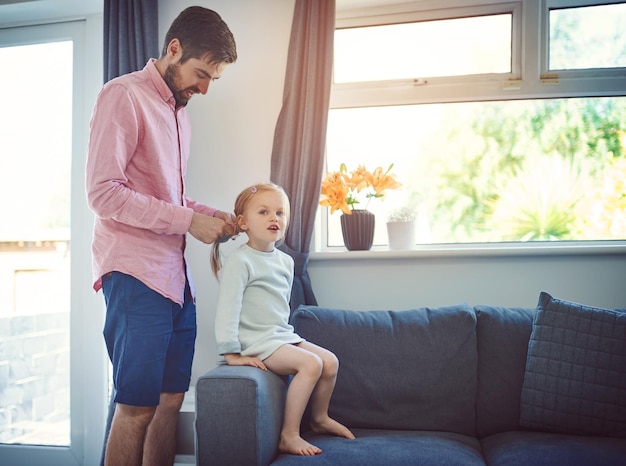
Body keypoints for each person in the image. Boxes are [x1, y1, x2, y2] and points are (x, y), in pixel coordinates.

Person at [85, 7, 237, 466]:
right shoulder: (122, 96)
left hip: (176, 280)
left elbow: (171, 198)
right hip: (135, 275)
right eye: (201, 73)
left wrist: (214, 217)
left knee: (171, 402)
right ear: (173, 49)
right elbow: (104, 193)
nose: (205, 88)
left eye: (213, 78)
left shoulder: (179, 112)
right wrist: (190, 223)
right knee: (136, 408)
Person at [211, 183, 356, 456]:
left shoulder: (285, 262)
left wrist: (288, 339)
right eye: (264, 212)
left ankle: (319, 418)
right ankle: (289, 435)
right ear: (243, 222)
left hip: (279, 335)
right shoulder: (240, 262)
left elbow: (278, 308)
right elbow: (227, 310)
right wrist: (232, 353)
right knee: (310, 365)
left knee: (330, 361)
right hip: (255, 339)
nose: (274, 218)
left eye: (280, 213)